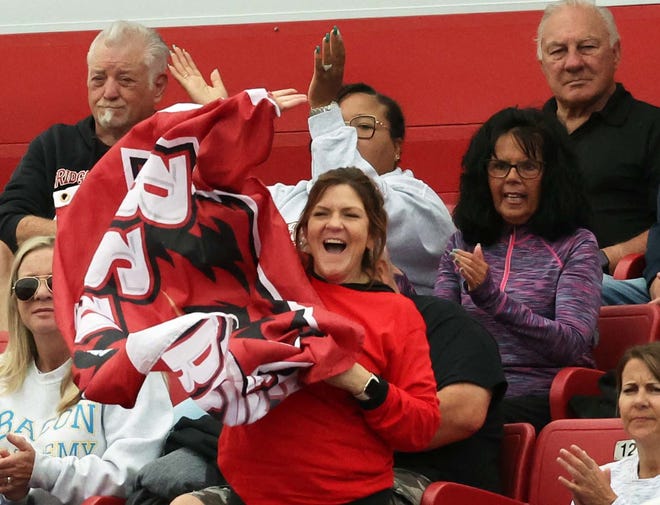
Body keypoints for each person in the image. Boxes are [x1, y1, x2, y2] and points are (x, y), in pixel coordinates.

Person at [173, 167, 439, 505]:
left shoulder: (397, 314)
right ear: (305, 230)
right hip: (250, 493)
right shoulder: (271, 285)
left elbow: (422, 426)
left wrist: (360, 382)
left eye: (351, 214)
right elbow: (213, 220)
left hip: (348, 498)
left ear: (372, 236)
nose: (334, 223)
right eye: (322, 213)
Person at [169, 28, 455, 295]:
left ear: (397, 146)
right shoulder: (288, 197)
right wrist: (221, 125)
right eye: (338, 129)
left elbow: (361, 197)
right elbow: (213, 209)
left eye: (362, 126)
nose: (349, 139)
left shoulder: (420, 203)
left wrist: (323, 110)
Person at [433, 107, 601, 432]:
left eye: (528, 166)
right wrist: (396, 287)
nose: (512, 177)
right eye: (499, 166)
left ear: (552, 176)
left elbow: (571, 342)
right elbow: (442, 331)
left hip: (541, 396)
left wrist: (492, 299)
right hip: (468, 391)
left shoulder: (577, 245)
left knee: (462, 419)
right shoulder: (463, 242)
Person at [0, 235, 173, 505]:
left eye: (55, 282)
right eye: (26, 286)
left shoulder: (128, 364)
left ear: (81, 292)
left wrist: (42, 471)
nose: (41, 293)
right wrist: (14, 494)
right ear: (15, 299)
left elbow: (133, 474)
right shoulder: (2, 375)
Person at [0, 20, 169, 253]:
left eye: (125, 80)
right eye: (99, 79)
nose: (109, 93)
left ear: (157, 87)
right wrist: (86, 236)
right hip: (57, 285)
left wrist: (223, 120)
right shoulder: (55, 145)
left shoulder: (176, 146)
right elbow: (7, 220)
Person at [537, 0, 660, 278]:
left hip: (614, 284)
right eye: (558, 51)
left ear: (615, 53)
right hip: (530, 283)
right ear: (543, 64)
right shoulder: (524, 138)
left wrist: (605, 257)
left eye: (587, 47)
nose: (572, 63)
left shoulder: (653, 128)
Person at [393, 295, 507, 495]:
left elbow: (463, 415)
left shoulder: (447, 322)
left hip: (431, 485)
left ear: (381, 269)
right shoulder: (323, 330)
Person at [557, 341, 660, 504]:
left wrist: (607, 501)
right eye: (630, 390)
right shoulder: (605, 477)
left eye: (655, 389)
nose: (639, 401)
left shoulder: (600, 490)